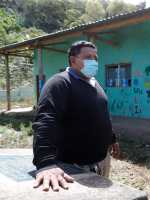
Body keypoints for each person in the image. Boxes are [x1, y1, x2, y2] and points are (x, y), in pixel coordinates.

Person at [32, 40, 120, 191]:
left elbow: (101, 113)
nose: (94, 61)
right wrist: (46, 163)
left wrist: (111, 139)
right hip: (73, 166)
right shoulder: (59, 83)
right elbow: (46, 121)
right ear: (73, 60)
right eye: (88, 57)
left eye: (96, 58)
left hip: (100, 160)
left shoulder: (95, 83)